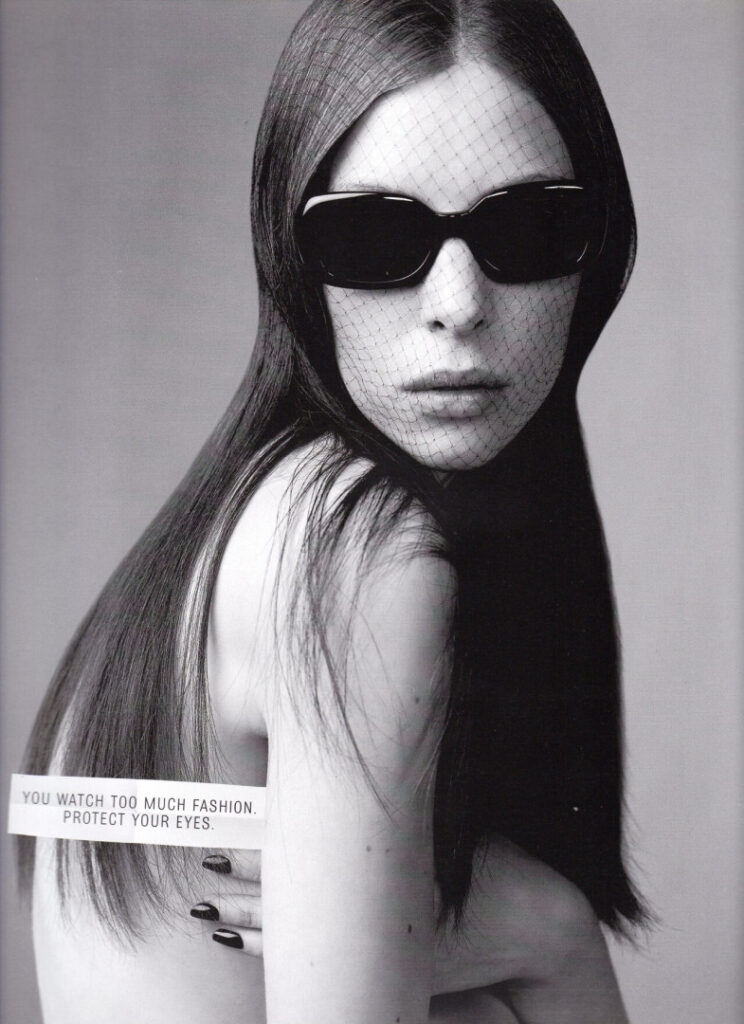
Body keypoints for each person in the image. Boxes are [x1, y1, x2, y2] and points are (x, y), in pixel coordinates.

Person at [19, 1, 646, 1021]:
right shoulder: (354, 547)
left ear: (595, 253)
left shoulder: (241, 523)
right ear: (293, 263)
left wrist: (551, 929)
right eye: (377, 236)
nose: (458, 303)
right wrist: (555, 934)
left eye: (527, 229)